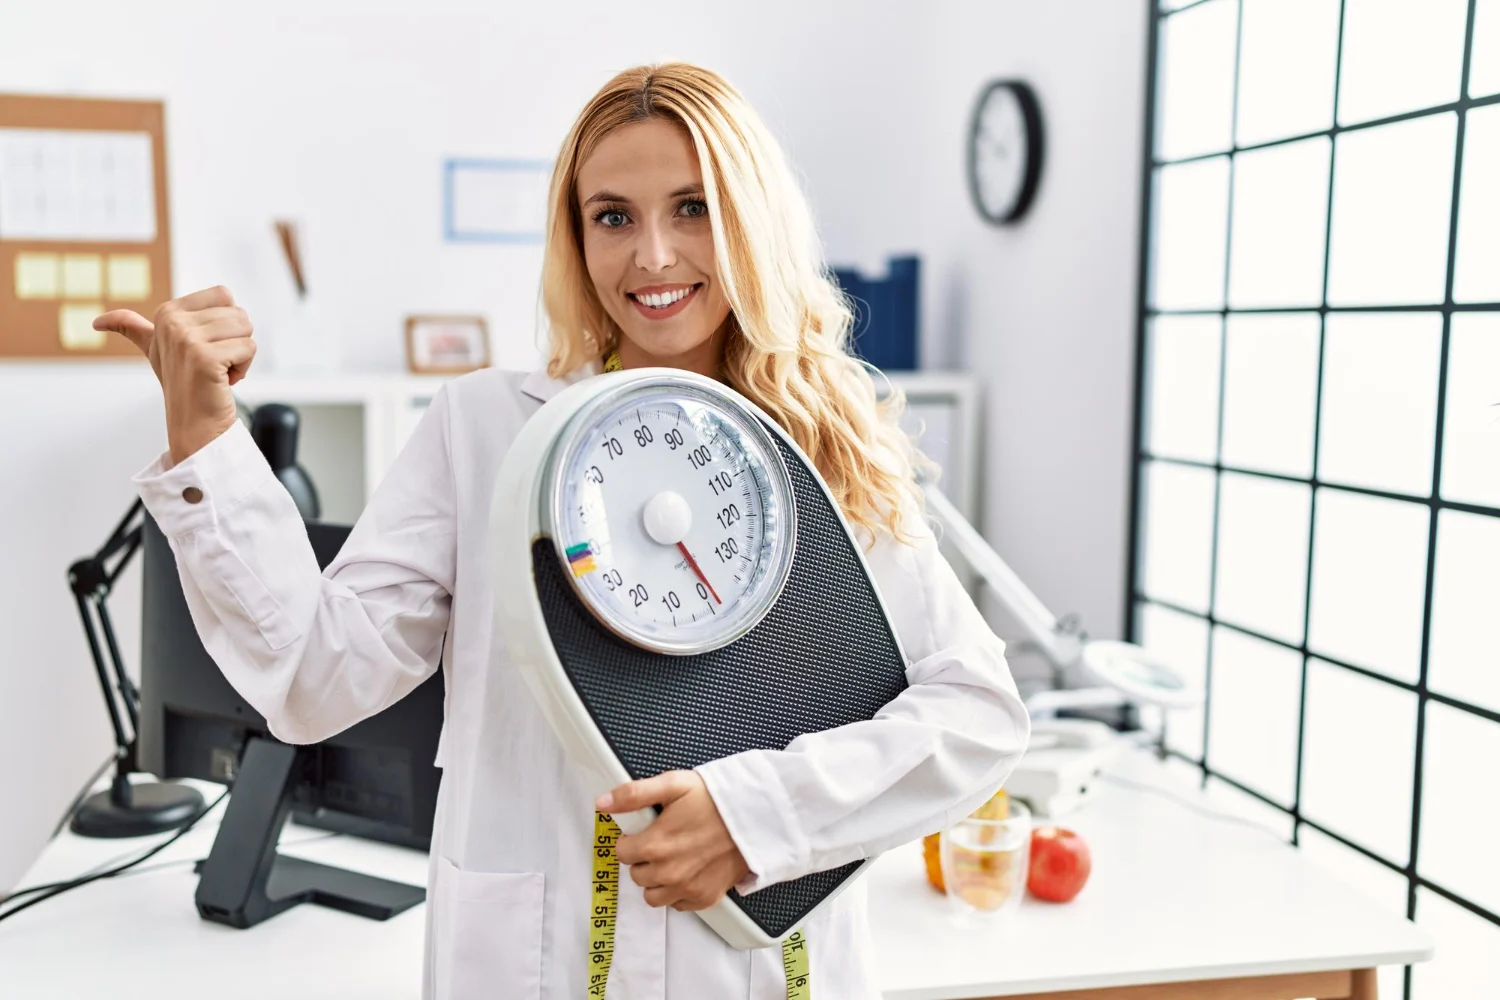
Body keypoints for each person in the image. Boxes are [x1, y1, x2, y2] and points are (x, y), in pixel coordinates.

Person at [99, 63, 1029, 1000]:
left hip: (761, 967)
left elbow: (977, 714)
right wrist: (206, 438)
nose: (653, 256)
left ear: (753, 222)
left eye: (694, 208)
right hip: (535, 966)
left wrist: (757, 817)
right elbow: (314, 681)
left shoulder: (826, 448)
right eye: (612, 216)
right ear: (575, 238)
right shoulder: (485, 430)